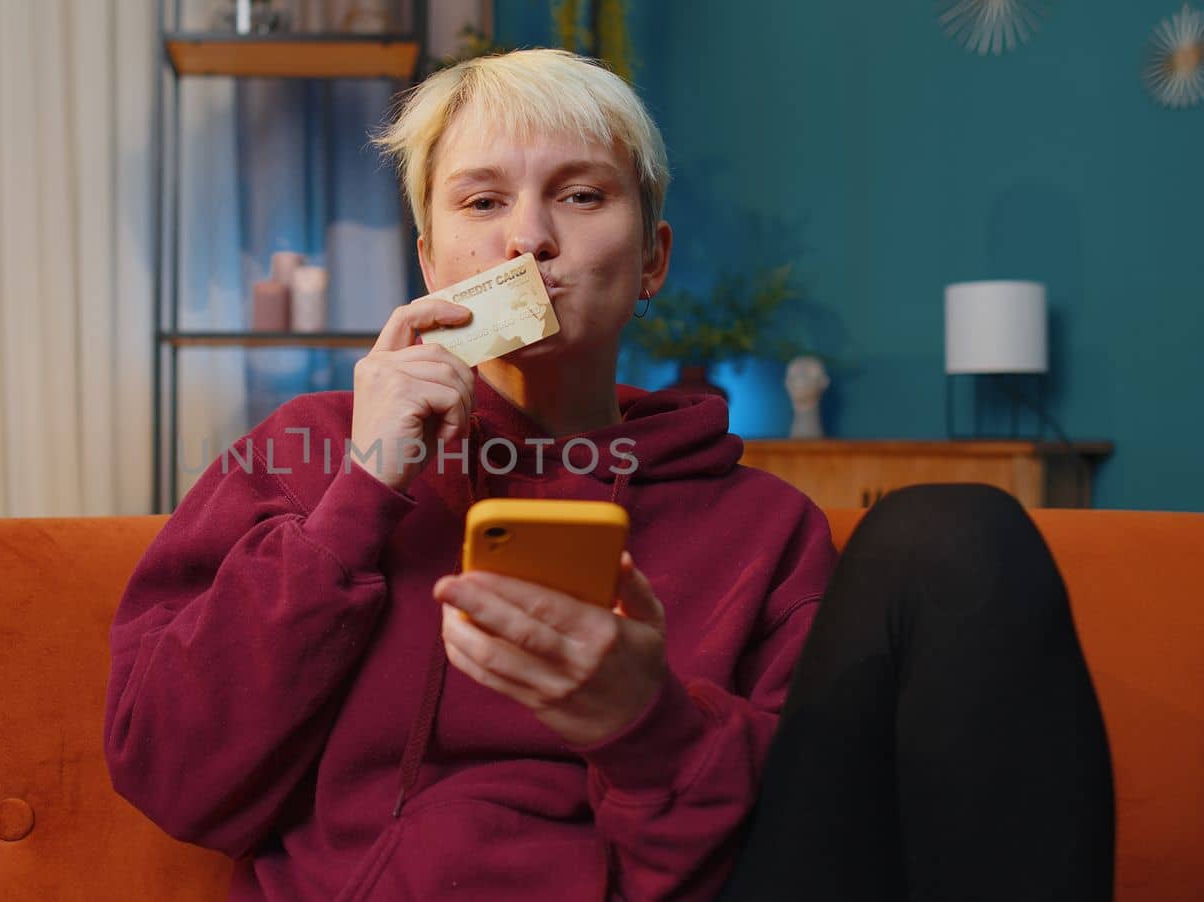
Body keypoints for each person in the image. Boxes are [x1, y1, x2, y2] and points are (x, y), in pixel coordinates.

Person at [104, 49, 1112, 900]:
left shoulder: (766, 527)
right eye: (483, 199)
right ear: (430, 261)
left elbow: (801, 834)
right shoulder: (306, 453)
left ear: (651, 260)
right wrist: (361, 494)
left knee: (957, 530)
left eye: (580, 195)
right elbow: (175, 778)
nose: (529, 236)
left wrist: (649, 724)